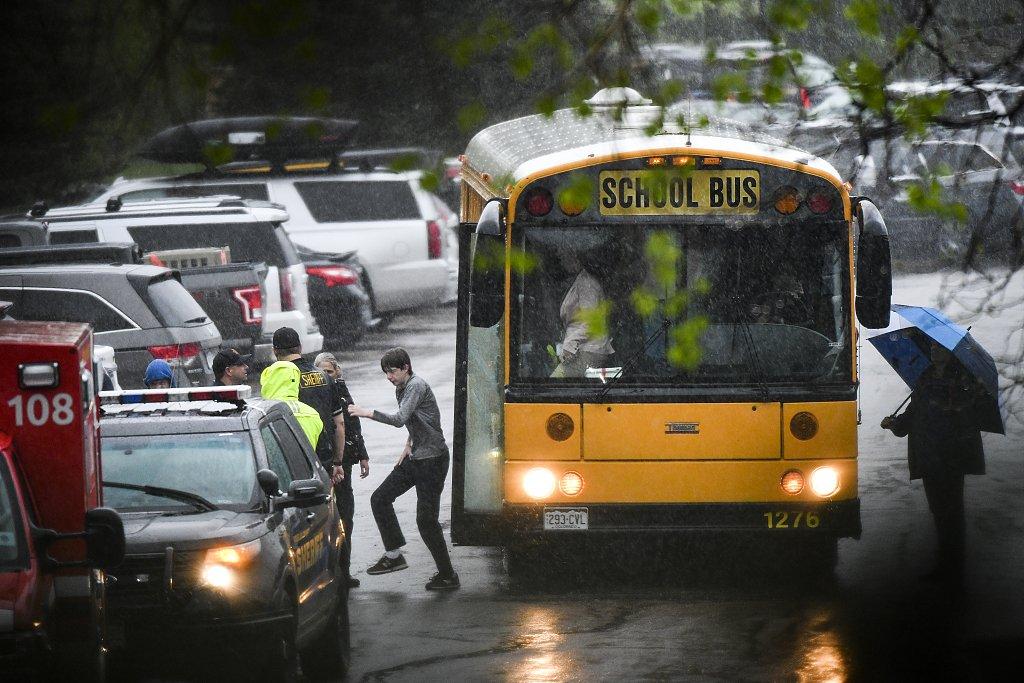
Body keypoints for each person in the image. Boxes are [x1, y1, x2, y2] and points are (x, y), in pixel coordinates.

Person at [348, 347, 459, 590]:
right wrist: (409, 443)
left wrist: (366, 413)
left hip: (432, 460)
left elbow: (399, 419)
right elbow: (418, 420)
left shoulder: (416, 385)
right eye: (386, 373)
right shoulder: (402, 387)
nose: (389, 377)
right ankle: (393, 555)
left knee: (426, 521)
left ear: (406, 368)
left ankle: (448, 575)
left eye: (392, 372)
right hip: (416, 456)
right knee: (380, 499)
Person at [880, 339, 986, 585]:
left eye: (940, 348)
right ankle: (944, 566)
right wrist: (894, 424)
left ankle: (954, 569)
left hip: (951, 459)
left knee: (952, 514)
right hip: (928, 458)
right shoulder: (924, 379)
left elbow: (966, 418)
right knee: (939, 513)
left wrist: (948, 411)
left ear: (950, 353)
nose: (935, 351)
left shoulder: (961, 381)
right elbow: (911, 418)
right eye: (933, 348)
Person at [316, 352, 370, 588]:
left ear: (337, 371)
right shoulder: (319, 393)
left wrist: (363, 455)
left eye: (329, 371)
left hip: (344, 461)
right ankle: (332, 572)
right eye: (322, 372)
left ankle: (344, 572)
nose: (325, 376)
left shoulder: (341, 390)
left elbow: (352, 424)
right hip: (329, 460)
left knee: (346, 516)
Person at [272, 327, 345, 488]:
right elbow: (339, 423)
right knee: (325, 506)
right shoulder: (325, 376)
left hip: (294, 458)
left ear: (275, 351)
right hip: (324, 457)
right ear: (300, 348)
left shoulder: (280, 380)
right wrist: (338, 461)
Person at [552, 249, 614, 378]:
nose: (562, 262)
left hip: (589, 350)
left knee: (554, 382)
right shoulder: (580, 280)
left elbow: (590, 321)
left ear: (575, 257)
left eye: (564, 257)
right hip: (583, 348)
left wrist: (570, 344)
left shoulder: (586, 284)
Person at [260, 360, 323, 450]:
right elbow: (323, 450)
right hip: (305, 463)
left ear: (269, 381)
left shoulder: (263, 413)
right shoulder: (312, 413)